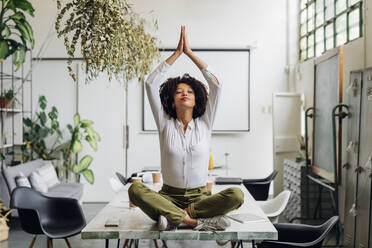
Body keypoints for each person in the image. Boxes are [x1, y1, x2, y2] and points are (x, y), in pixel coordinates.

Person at [128, 26, 244, 231]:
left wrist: (190, 54)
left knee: (237, 195)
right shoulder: (164, 123)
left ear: (196, 97)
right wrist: (175, 55)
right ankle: (194, 222)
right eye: (179, 91)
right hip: (168, 196)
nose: (184, 94)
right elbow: (150, 84)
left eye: (189, 91)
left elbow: (217, 86)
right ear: (172, 101)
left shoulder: (205, 123)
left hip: (200, 198)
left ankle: (174, 218)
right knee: (135, 190)